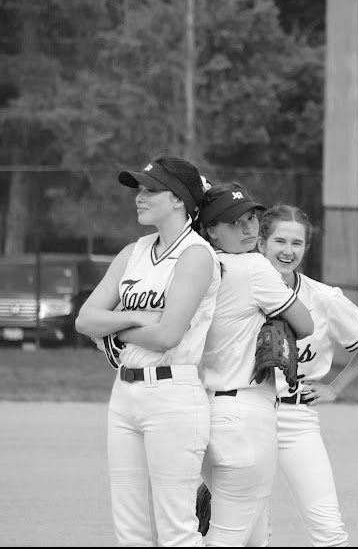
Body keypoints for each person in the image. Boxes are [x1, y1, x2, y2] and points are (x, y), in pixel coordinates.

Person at [75, 156, 221, 547]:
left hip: (173, 395)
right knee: (131, 529)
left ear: (179, 200)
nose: (139, 197)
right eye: (139, 189)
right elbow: (85, 320)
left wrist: (118, 325)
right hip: (124, 395)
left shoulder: (196, 254)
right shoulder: (133, 252)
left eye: (150, 189)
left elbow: (168, 335)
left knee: (176, 528)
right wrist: (138, 318)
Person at [254, 203, 358, 547]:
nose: (287, 251)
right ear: (261, 243)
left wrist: (335, 388)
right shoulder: (237, 291)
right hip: (246, 415)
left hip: (296, 417)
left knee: (327, 528)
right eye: (280, 241)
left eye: (296, 243)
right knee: (249, 532)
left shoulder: (323, 298)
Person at [196, 184, 314, 547]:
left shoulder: (194, 265)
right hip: (244, 415)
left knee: (254, 536)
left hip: (200, 410)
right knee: (228, 537)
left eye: (251, 218)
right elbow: (305, 323)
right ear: (212, 230)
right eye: (234, 222)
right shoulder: (252, 266)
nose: (248, 228)